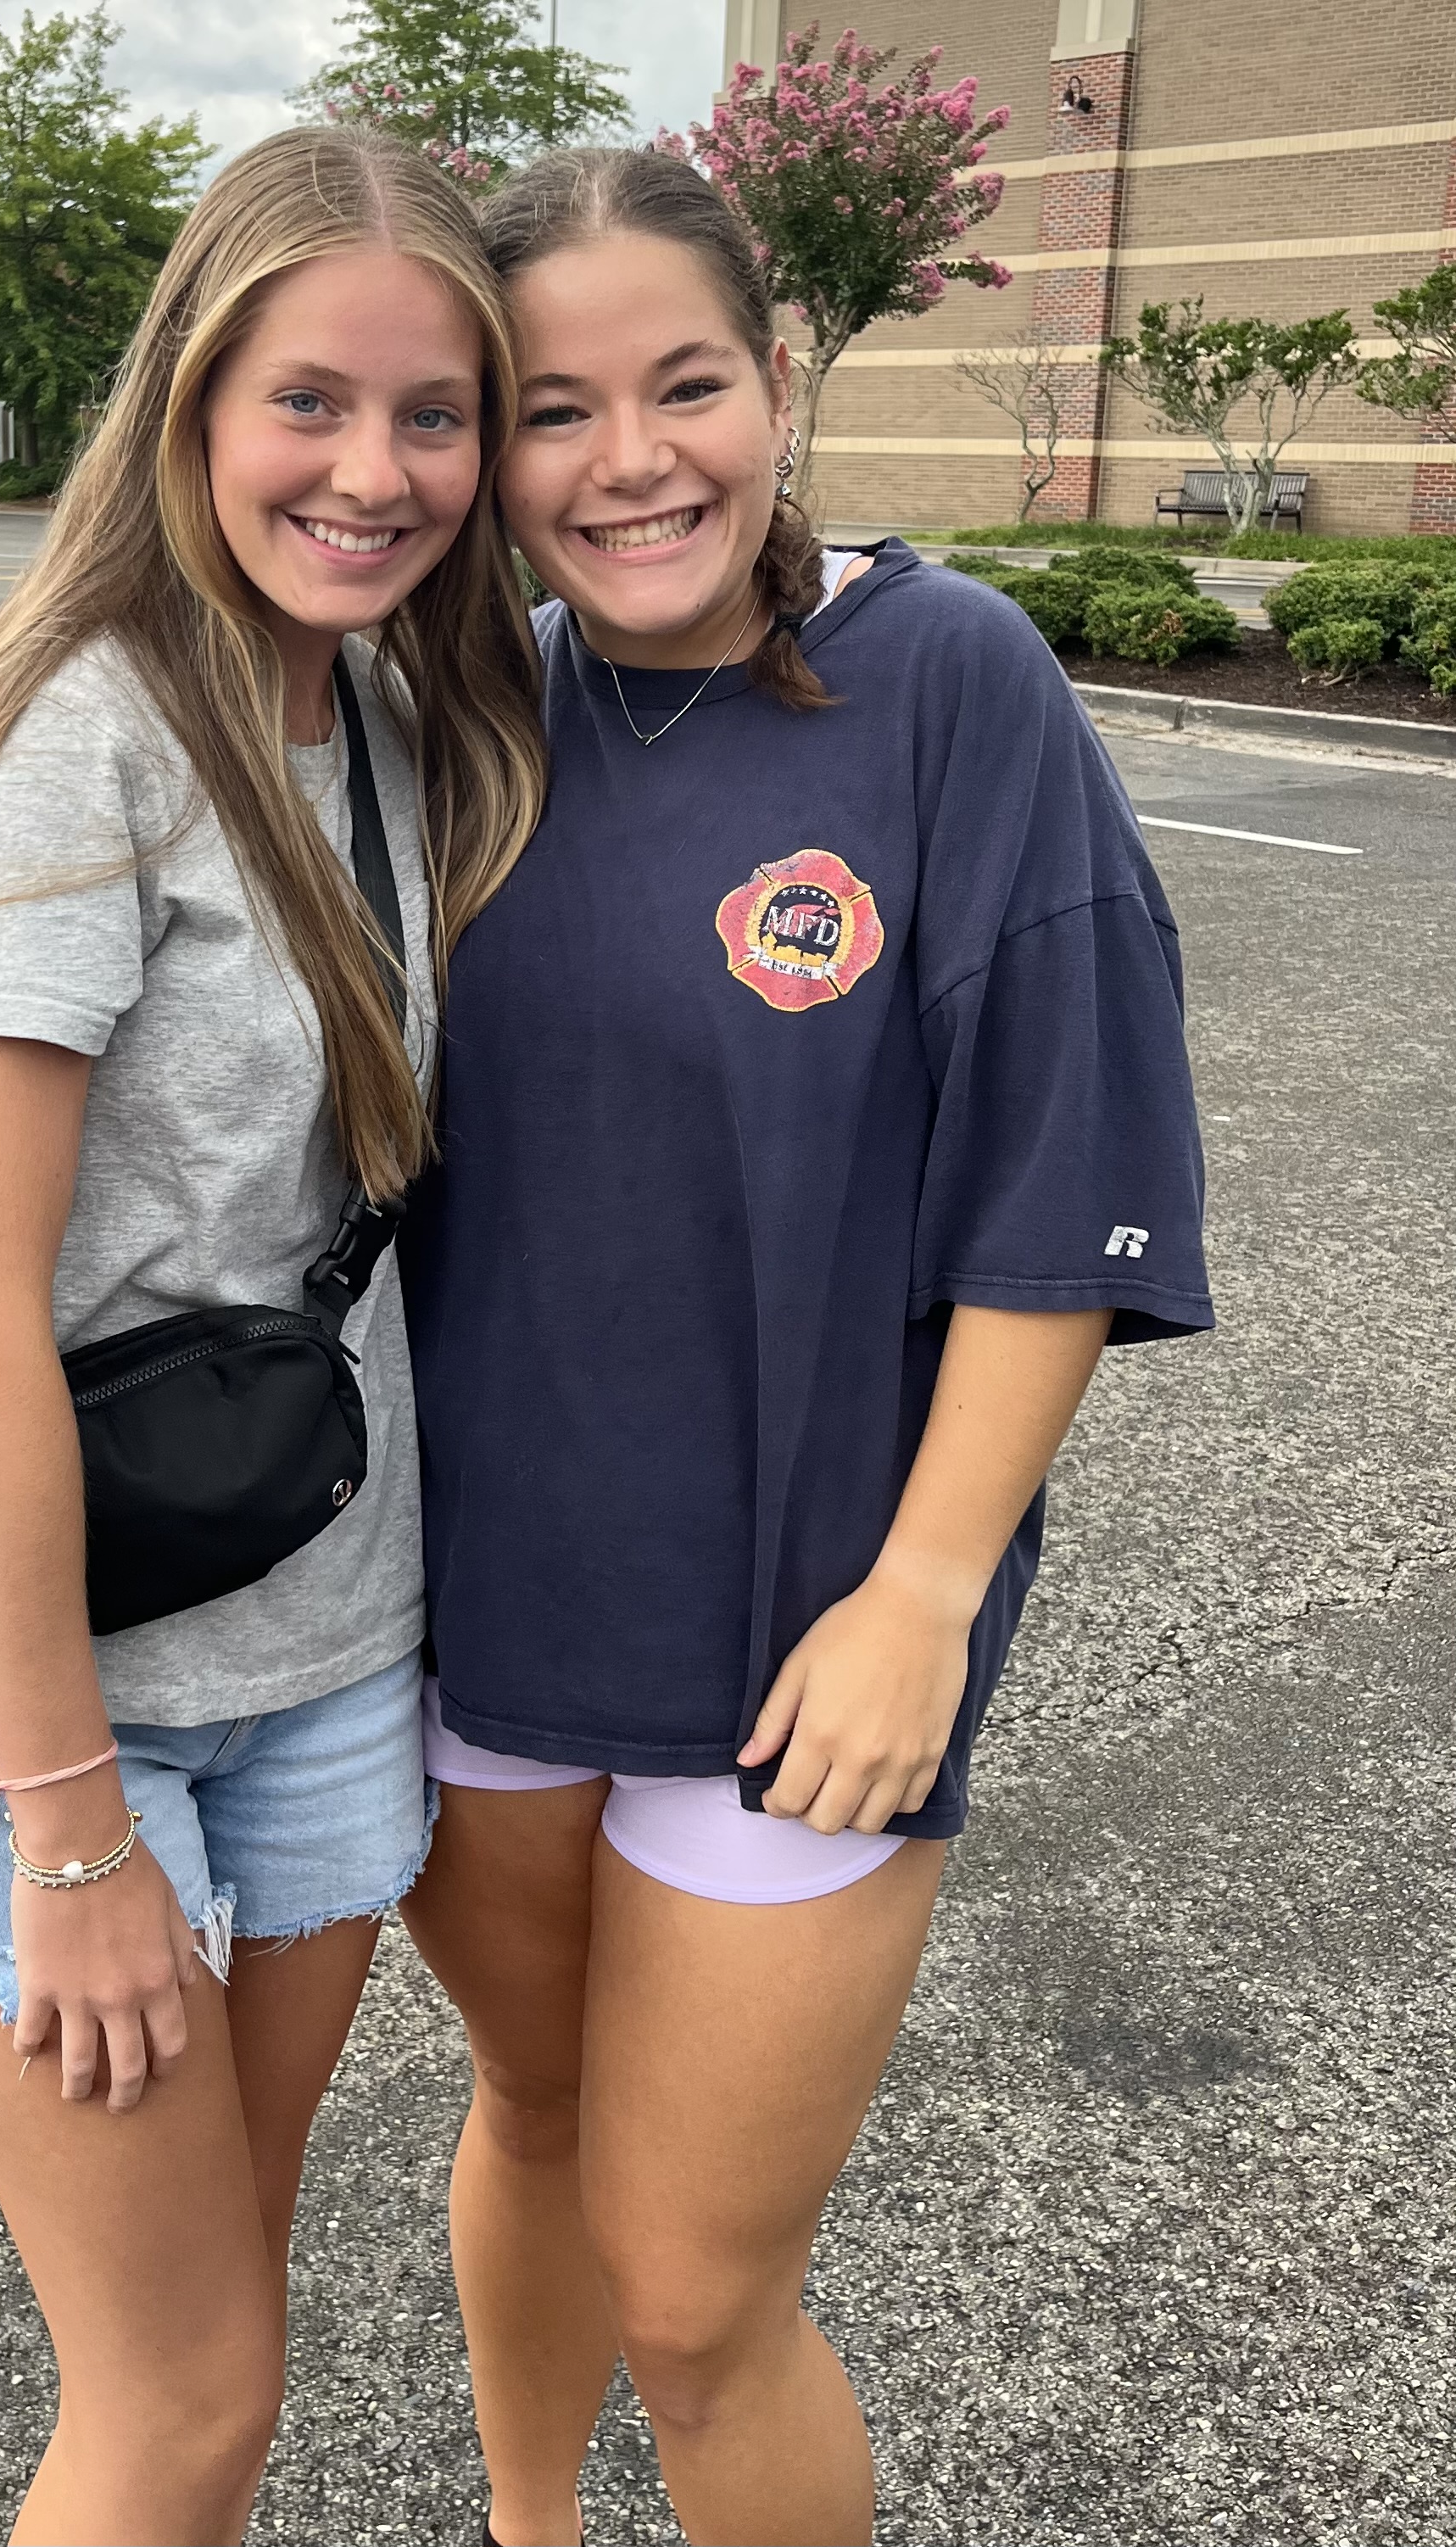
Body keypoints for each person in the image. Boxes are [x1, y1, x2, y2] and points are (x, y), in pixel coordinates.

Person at [398, 148, 1214, 2547]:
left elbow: (1058, 1188)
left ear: (779, 376)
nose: (628, 460)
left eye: (685, 385)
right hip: (474, 1617)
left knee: (694, 2296)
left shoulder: (945, 681)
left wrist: (924, 1595)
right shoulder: (465, 709)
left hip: (804, 1639)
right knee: (532, 2119)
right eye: (551, 410)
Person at [0, 127, 542, 2547]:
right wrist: (70, 1830)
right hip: (51, 1715)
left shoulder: (389, 723)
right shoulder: (71, 739)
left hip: (319, 1656)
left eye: (434, 415)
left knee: (224, 2340)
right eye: (307, 400)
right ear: (191, 399)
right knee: (180, 2402)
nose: (374, 471)